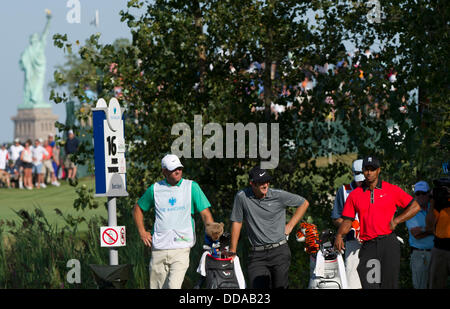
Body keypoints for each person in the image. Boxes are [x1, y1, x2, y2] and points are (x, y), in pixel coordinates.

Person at [334, 155, 421, 288]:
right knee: (370, 284)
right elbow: (347, 220)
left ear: (378, 170)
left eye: (372, 169)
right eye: (366, 169)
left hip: (389, 244)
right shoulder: (355, 194)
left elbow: (415, 206)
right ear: (363, 171)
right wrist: (340, 235)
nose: (369, 173)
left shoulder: (391, 189)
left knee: (389, 285)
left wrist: (397, 220)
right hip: (369, 246)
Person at [133, 154, 214, 289]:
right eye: (173, 169)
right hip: (159, 247)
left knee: (173, 286)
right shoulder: (155, 189)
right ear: (164, 171)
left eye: (179, 168)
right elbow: (137, 209)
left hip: (181, 247)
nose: (177, 171)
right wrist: (142, 232)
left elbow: (205, 214)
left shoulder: (191, 187)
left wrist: (213, 236)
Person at [229, 166, 309, 289]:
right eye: (261, 182)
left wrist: (290, 225)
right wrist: (232, 250)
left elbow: (303, 203)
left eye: (267, 181)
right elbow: (237, 222)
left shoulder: (278, 195)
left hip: (279, 251)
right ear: (252, 183)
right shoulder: (242, 197)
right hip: (257, 255)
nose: (265, 185)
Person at [331, 159, 365, 289]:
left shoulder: (375, 190)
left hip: (374, 241)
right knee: (352, 281)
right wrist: (352, 226)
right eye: (358, 177)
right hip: (352, 241)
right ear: (353, 174)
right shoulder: (344, 190)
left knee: (374, 279)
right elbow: (336, 218)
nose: (361, 181)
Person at [405, 181, 434, 289]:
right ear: (415, 195)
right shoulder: (411, 211)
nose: (420, 196)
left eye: (423, 193)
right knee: (420, 287)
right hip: (419, 255)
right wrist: (433, 229)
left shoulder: (435, 208)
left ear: (428, 195)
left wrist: (424, 229)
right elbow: (416, 234)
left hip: (436, 253)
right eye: (418, 194)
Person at [426, 177, 450, 289]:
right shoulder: (440, 202)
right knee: (436, 284)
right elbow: (430, 225)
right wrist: (433, 201)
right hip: (441, 249)